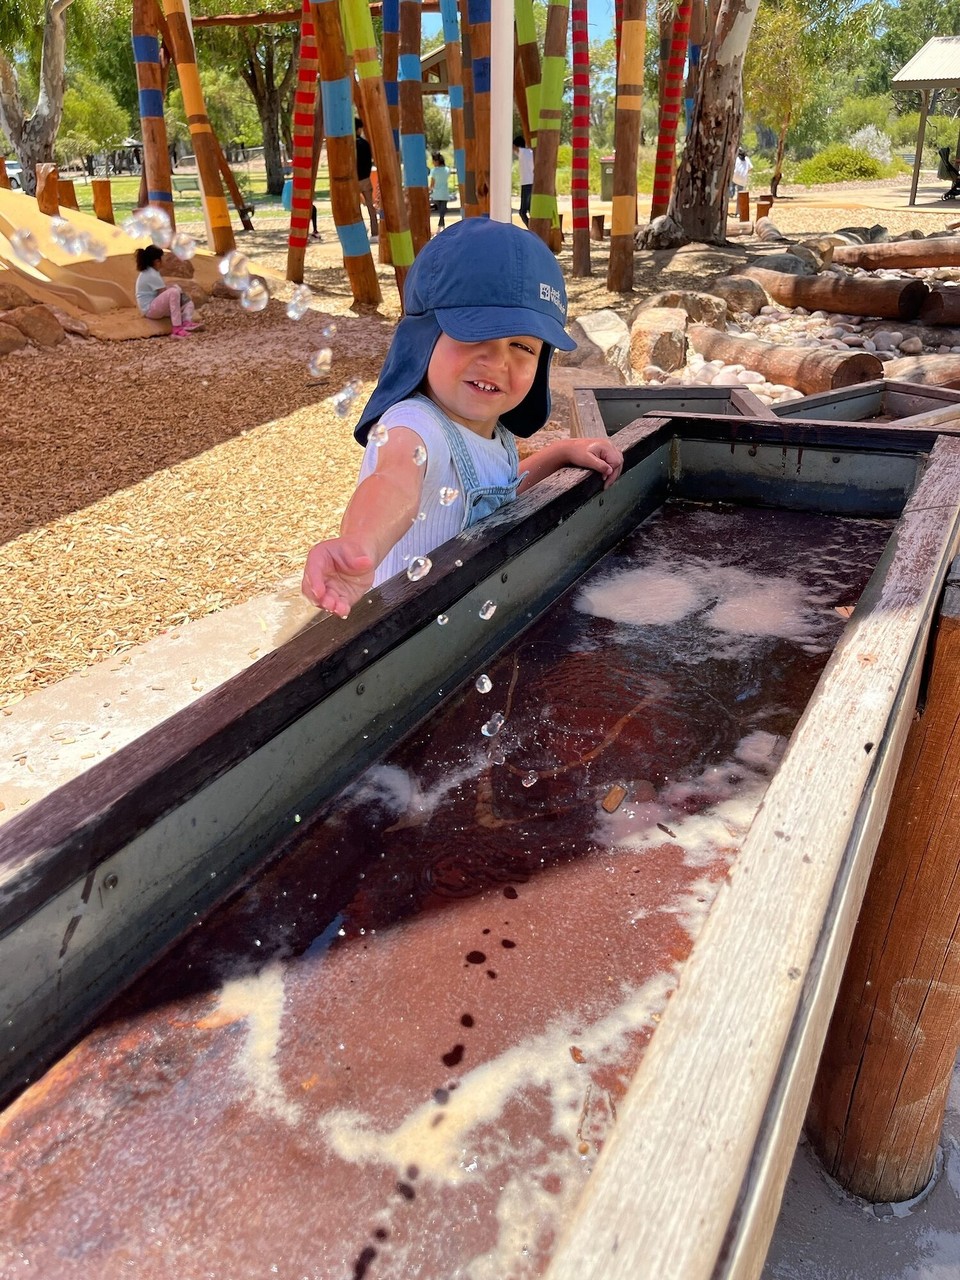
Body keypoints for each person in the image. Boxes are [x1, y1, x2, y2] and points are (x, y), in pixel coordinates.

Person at [302, 218, 623, 618]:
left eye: (521, 345)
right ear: (423, 336)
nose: (497, 362)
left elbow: (497, 499)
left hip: (463, 619)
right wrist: (361, 544)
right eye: (475, 334)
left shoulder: (496, 433)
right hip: (402, 634)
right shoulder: (414, 425)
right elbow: (394, 482)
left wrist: (559, 453)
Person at [134, 245, 199, 337]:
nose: (165, 259)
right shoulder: (151, 274)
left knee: (187, 302)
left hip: (155, 305)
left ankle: (186, 322)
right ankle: (177, 328)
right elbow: (163, 293)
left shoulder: (152, 272)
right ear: (157, 261)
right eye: (163, 257)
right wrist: (176, 292)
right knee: (174, 291)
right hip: (149, 309)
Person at [355, 118, 379, 243]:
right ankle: (375, 233)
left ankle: (359, 231)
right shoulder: (365, 143)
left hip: (353, 180)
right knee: (371, 207)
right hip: (365, 178)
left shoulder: (349, 144)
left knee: (355, 208)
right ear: (359, 129)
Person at [513, 134, 534, 227]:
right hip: (532, 183)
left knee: (522, 212)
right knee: (530, 209)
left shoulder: (523, 152)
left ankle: (532, 229)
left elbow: (515, 148)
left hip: (526, 184)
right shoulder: (530, 152)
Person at [428, 152, 451, 229]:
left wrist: (429, 190)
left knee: (440, 212)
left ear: (437, 161)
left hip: (436, 194)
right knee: (442, 212)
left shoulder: (434, 171)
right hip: (445, 193)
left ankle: (440, 227)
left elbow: (432, 184)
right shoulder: (447, 170)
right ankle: (442, 227)